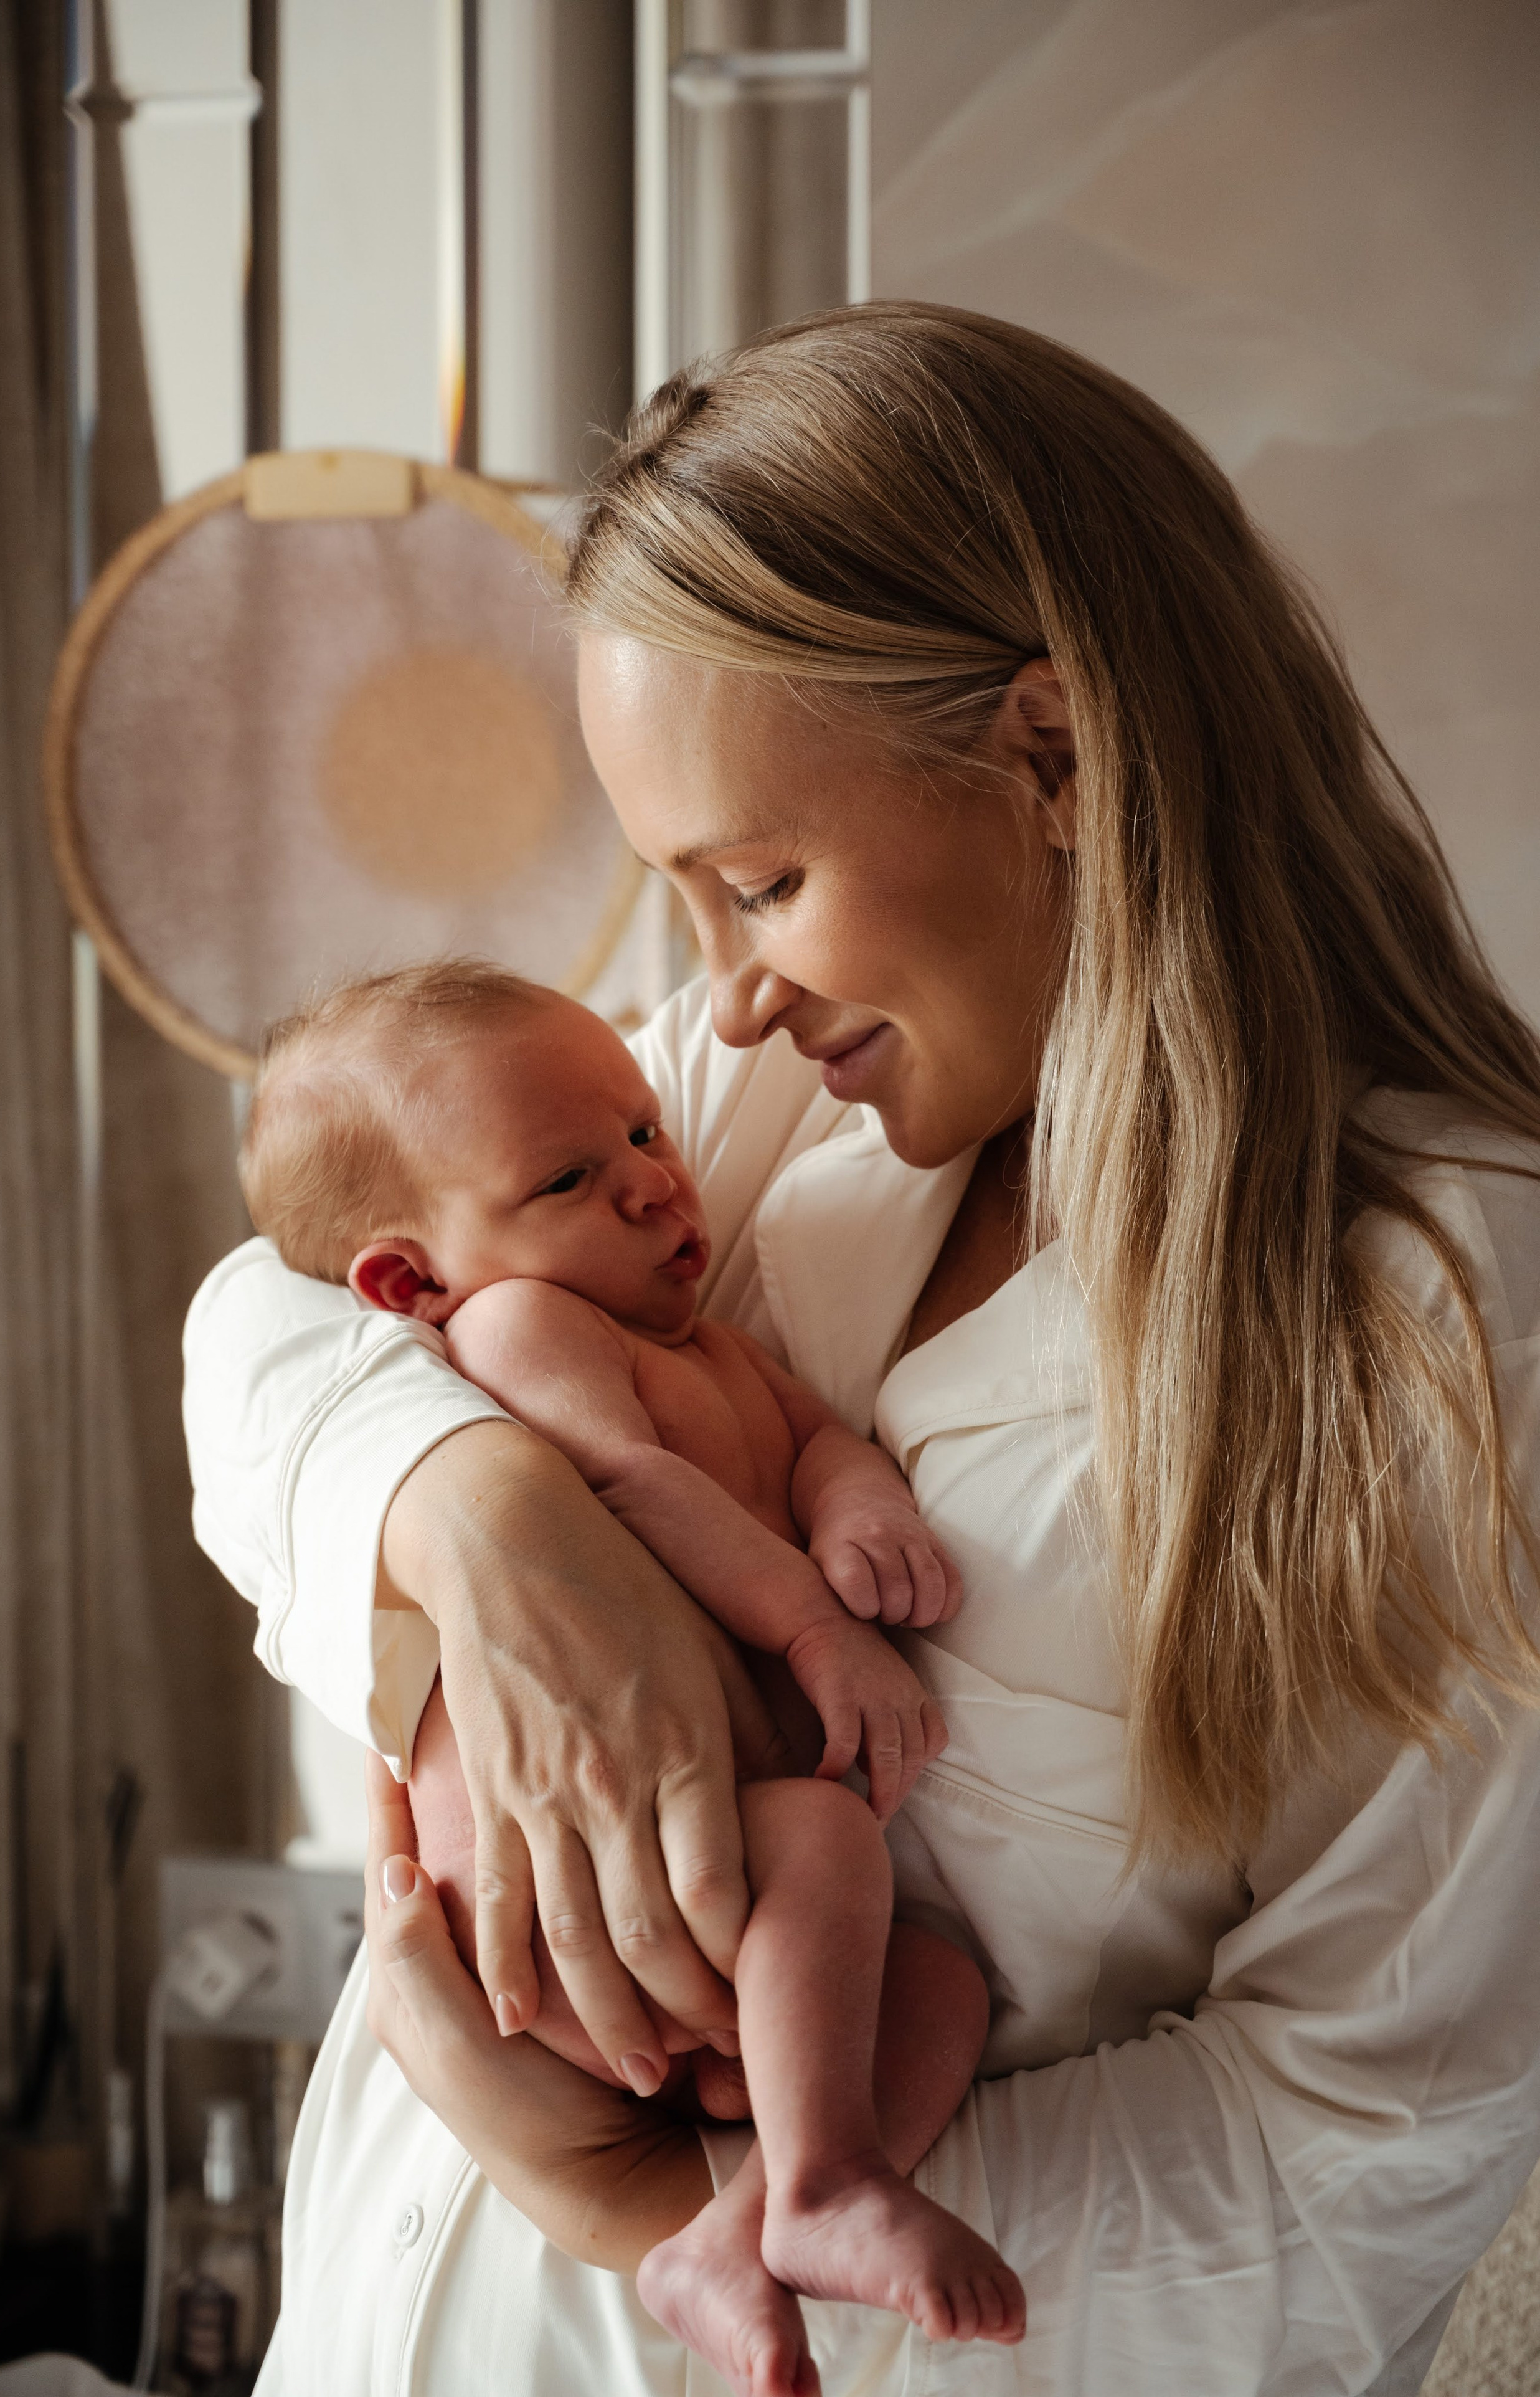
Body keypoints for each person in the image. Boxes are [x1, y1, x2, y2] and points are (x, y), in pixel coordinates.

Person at [184, 303, 1540, 2396]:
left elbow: (1359, 2155)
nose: (715, 1000)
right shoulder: (755, 1123)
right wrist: (477, 1518)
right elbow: (282, 1297)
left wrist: (632, 2206)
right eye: (683, 900)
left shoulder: (1452, 1314)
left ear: (1053, 751)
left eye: (761, 880)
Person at [234, 960, 1023, 2385]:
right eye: (572, 1178)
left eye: (649, 1135)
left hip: (684, 1884)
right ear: (410, 1279)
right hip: (562, 1904)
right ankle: (824, 2181)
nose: (658, 1186)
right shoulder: (523, 1331)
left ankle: (753, 2215)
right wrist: (815, 1628)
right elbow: (624, 1487)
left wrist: (858, 1509)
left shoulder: (700, 1336)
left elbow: (814, 1441)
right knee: (826, 1842)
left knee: (942, 1987)